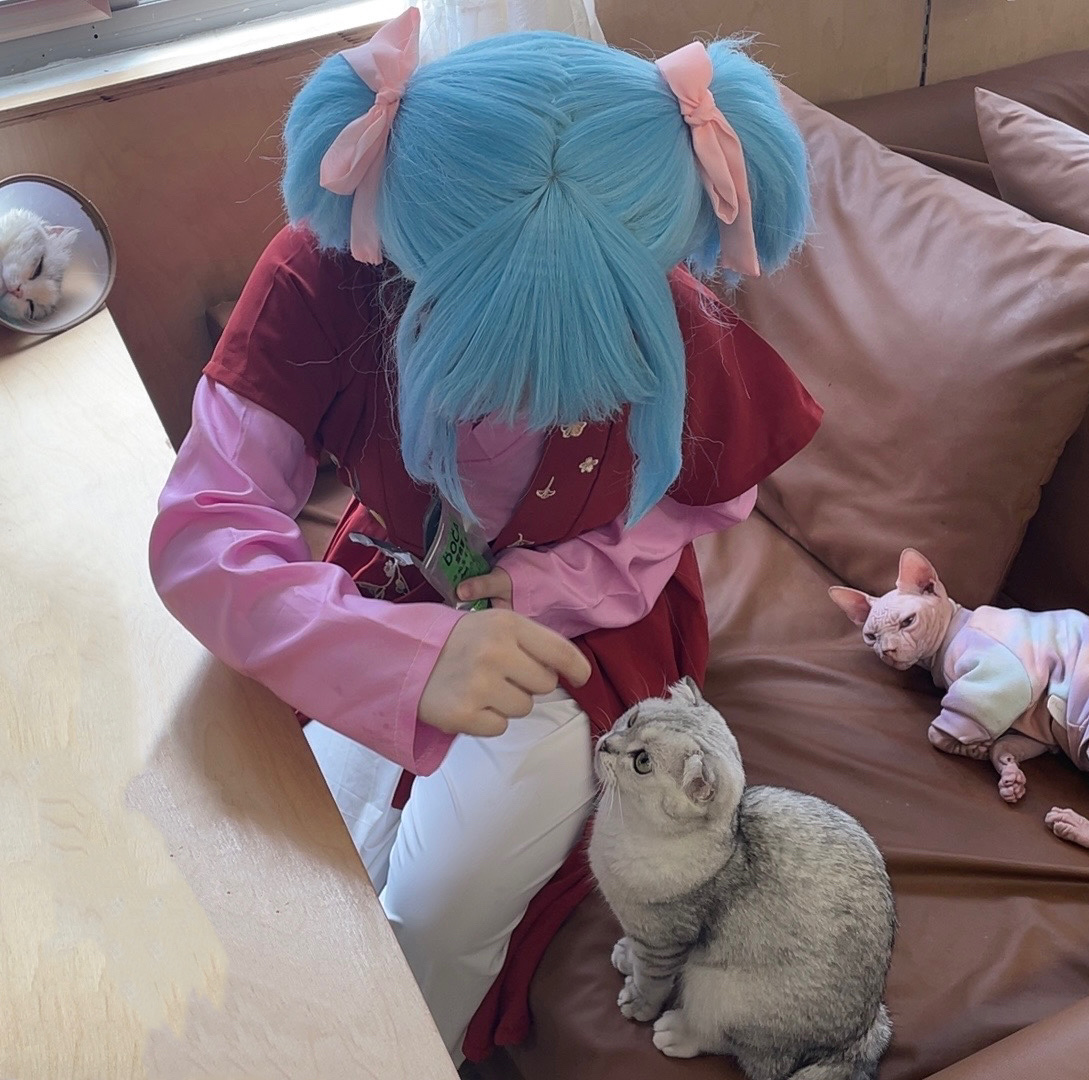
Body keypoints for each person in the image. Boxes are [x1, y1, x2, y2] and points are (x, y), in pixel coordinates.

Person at [149, 7, 822, 1062]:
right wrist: (401, 655)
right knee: (301, 839)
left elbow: (696, 501)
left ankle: (415, 1051)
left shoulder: (681, 319)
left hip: (588, 633)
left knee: (438, 902)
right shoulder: (322, 274)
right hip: (393, 584)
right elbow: (204, 529)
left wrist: (555, 587)